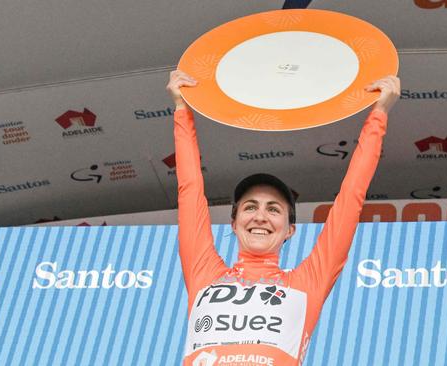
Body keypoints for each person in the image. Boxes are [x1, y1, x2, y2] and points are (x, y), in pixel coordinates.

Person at [167, 69, 400, 366]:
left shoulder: (306, 284)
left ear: (290, 230)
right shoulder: (204, 273)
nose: (260, 216)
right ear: (234, 223)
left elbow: (350, 199)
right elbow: (189, 191)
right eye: (250, 207)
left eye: (273, 209)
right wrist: (181, 108)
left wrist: (379, 113)